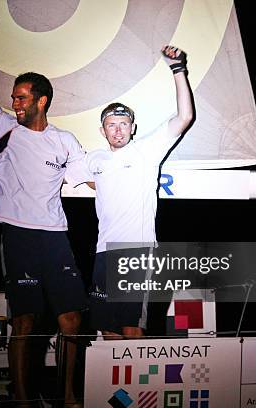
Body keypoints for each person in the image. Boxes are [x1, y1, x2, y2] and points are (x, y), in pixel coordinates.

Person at [0, 16, 88, 407]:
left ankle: (67, 397)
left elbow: (91, 180)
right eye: (14, 97)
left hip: (54, 238)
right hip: (19, 237)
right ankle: (22, 400)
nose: (14, 103)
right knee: (24, 324)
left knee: (72, 322)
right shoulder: (5, 128)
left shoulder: (64, 140)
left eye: (21, 97)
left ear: (41, 101)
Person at [86, 45, 194, 339]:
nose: (118, 130)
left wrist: (177, 69)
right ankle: (113, 388)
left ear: (133, 128)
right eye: (111, 125)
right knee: (108, 331)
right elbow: (85, 179)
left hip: (138, 253)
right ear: (102, 130)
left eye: (123, 124)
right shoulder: (93, 159)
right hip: (102, 253)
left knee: (132, 330)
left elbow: (184, 117)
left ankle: (138, 388)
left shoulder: (147, 150)